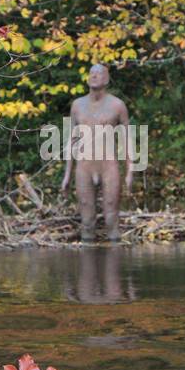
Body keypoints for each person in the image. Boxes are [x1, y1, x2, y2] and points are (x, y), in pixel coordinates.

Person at [60, 63, 132, 242]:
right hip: (84, 167)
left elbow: (127, 140)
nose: (94, 76)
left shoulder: (118, 105)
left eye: (99, 73)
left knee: (111, 218)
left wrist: (130, 171)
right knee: (87, 221)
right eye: (91, 73)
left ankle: (113, 263)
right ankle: (88, 263)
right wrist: (67, 175)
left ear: (107, 79)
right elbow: (72, 141)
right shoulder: (77, 105)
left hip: (109, 167)